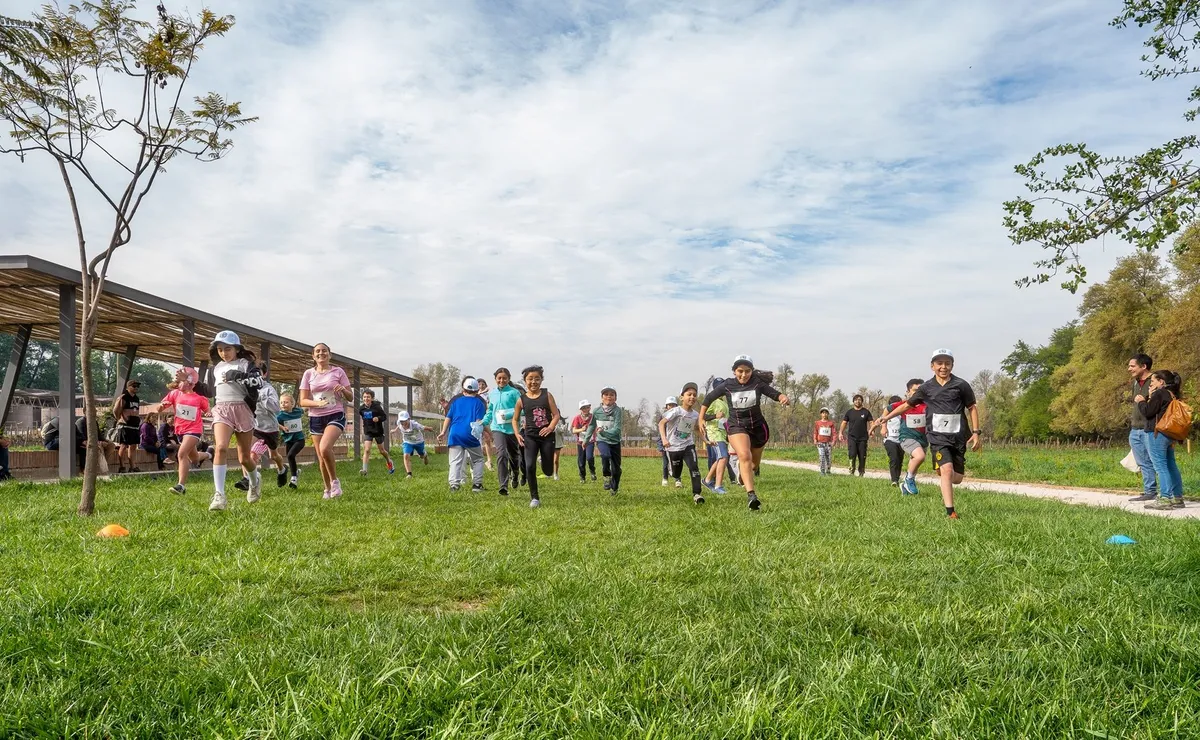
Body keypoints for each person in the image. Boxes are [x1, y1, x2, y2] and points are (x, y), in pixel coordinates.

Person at [876, 349, 980, 519]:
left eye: (947, 363)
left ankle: (944, 470)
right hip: (938, 438)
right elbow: (907, 405)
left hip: (958, 437)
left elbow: (972, 408)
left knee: (957, 478)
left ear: (952, 365)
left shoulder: (961, 385)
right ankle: (951, 512)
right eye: (939, 363)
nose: (943, 367)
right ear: (932, 366)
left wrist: (976, 433)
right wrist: (886, 417)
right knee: (947, 470)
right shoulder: (926, 388)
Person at [699, 356, 790, 510]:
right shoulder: (728, 385)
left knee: (753, 465)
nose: (743, 375)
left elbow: (774, 393)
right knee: (744, 455)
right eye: (740, 371)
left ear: (751, 371)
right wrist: (701, 418)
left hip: (758, 428)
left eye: (747, 371)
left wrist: (782, 397)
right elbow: (708, 398)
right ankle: (752, 495)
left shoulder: (757, 383)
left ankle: (743, 475)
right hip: (737, 426)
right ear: (734, 371)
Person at [208, 331, 263, 510]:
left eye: (228, 349)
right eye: (220, 350)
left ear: (237, 349)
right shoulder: (215, 368)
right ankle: (219, 495)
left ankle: (255, 482)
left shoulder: (246, 364)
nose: (224, 353)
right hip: (222, 409)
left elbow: (258, 382)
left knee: (244, 457)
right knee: (221, 447)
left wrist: (239, 376)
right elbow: (210, 391)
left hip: (242, 409)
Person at [299, 342, 353, 500]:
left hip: (335, 414)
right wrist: (317, 403)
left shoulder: (338, 371)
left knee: (324, 448)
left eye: (324, 351)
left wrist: (343, 390)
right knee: (321, 457)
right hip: (316, 417)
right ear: (313, 356)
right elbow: (302, 401)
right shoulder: (308, 374)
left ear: (330, 355)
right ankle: (327, 489)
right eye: (317, 351)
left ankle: (335, 482)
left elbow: (350, 397)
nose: (320, 353)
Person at [1135, 369, 1187, 510]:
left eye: (1153, 381)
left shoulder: (1160, 393)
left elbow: (1148, 412)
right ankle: (1177, 497)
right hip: (1168, 434)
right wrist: (1150, 397)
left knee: (1160, 466)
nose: (1150, 384)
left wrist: (1141, 401)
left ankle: (1165, 498)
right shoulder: (1172, 394)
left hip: (1156, 433)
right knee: (1170, 465)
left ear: (1161, 382)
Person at [512, 365, 562, 508]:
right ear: (525, 380)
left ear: (541, 380)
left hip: (547, 436)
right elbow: (514, 419)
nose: (533, 382)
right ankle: (534, 498)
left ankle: (546, 465)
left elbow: (556, 415)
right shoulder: (521, 400)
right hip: (530, 437)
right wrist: (517, 434)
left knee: (548, 470)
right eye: (530, 379)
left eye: (537, 379)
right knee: (529, 466)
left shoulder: (547, 395)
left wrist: (550, 427)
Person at [158, 366, 213, 496]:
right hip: (180, 431)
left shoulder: (199, 398)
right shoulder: (175, 394)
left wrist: (209, 413)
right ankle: (210, 453)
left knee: (181, 454)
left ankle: (181, 485)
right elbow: (161, 406)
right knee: (193, 458)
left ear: (190, 383)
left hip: (194, 430)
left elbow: (207, 409)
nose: (179, 385)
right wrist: (161, 407)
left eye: (181, 382)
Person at [659, 382, 705, 505]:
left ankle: (697, 494)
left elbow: (695, 429)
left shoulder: (695, 414)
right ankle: (672, 471)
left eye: (694, 395)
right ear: (681, 397)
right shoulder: (675, 411)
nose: (692, 397)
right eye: (689, 394)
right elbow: (661, 423)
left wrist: (706, 441)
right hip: (673, 447)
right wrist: (664, 439)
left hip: (688, 445)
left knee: (694, 468)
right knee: (675, 473)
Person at [439, 377, 488, 492]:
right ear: (477, 391)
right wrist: (489, 433)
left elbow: (448, 418)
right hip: (470, 433)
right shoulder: (479, 403)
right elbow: (479, 421)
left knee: (455, 461)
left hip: (455, 433)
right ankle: (477, 485)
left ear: (463, 390)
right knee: (478, 460)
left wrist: (443, 432)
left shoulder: (456, 402)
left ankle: (454, 485)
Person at [482, 367, 522, 495]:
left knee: (514, 457)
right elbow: (490, 411)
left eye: (504, 378)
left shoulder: (515, 393)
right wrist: (483, 422)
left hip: (512, 429)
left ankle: (515, 473)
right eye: (499, 378)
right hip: (497, 428)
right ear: (495, 379)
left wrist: (509, 414)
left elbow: (523, 409)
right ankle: (503, 485)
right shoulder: (492, 394)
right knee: (501, 454)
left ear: (508, 379)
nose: (501, 380)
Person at [1127, 354, 1159, 503]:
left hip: (1150, 428)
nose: (1129, 369)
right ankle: (1150, 491)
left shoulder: (1155, 381)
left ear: (1143, 366)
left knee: (1157, 461)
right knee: (1143, 462)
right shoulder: (1135, 382)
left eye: (1132, 366)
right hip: (1135, 428)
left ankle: (1168, 492)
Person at [587, 386, 625, 495]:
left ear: (615, 398)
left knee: (616, 469)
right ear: (602, 398)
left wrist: (604, 432)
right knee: (605, 455)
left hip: (615, 441)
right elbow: (591, 425)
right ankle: (606, 476)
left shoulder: (617, 411)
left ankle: (614, 488)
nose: (609, 396)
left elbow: (617, 429)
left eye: (612, 395)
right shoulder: (596, 411)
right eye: (606, 394)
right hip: (602, 440)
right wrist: (585, 440)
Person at [701, 379, 730, 493]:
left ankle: (707, 480)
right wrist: (714, 415)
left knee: (721, 458)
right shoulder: (712, 400)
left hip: (722, 434)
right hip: (714, 433)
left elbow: (725, 420)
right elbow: (703, 416)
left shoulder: (725, 403)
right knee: (723, 457)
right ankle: (718, 486)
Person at [357, 389, 395, 476]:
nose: (366, 399)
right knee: (367, 450)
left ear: (372, 398)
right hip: (368, 431)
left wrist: (378, 418)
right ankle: (364, 470)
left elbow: (384, 416)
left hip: (378, 431)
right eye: (364, 397)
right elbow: (364, 418)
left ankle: (389, 462)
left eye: (368, 397)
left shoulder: (377, 407)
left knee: (382, 451)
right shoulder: (361, 409)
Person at [113, 378, 143, 473]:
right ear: (128, 387)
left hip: (134, 425)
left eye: (137, 386)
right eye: (134, 386)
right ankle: (122, 467)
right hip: (125, 426)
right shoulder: (124, 397)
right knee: (123, 445)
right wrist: (121, 419)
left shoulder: (136, 398)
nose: (136, 388)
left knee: (133, 446)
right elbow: (116, 410)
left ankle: (133, 466)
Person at [839, 394, 873, 477]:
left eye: (859, 400)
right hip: (852, 437)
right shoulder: (849, 412)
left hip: (863, 438)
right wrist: (840, 432)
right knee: (852, 454)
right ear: (853, 401)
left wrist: (872, 430)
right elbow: (844, 422)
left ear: (862, 401)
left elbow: (871, 422)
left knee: (862, 455)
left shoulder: (866, 412)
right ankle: (851, 470)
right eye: (856, 400)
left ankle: (861, 472)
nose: (858, 401)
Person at [277, 393, 305, 488]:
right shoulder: (280, 416)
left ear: (292, 404)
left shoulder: (297, 411)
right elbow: (274, 422)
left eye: (286, 402)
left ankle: (294, 478)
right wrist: (282, 427)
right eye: (281, 402)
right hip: (288, 440)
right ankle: (296, 471)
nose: (283, 404)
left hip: (299, 439)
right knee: (290, 458)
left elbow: (305, 410)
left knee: (290, 455)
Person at [396, 410, 429, 478]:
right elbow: (398, 426)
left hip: (418, 442)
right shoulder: (399, 424)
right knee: (406, 455)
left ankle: (424, 455)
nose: (403, 422)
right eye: (401, 421)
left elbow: (423, 427)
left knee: (421, 455)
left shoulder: (415, 424)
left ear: (409, 419)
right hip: (407, 442)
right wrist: (394, 430)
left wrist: (430, 429)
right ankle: (409, 474)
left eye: (404, 420)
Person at [880, 395, 905, 486]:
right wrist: (879, 428)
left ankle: (897, 478)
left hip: (902, 440)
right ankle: (894, 480)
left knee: (899, 460)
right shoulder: (886, 414)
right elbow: (879, 421)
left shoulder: (903, 414)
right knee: (893, 458)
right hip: (890, 439)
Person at [571, 400, 597, 483]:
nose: (585, 409)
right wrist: (581, 429)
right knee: (581, 461)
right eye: (583, 408)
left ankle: (592, 471)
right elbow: (574, 430)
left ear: (590, 407)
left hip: (590, 441)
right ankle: (582, 477)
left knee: (589, 457)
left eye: (587, 407)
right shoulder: (577, 418)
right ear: (580, 409)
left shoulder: (593, 417)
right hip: (580, 442)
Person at [659, 397, 679, 487]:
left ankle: (677, 479)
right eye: (669, 405)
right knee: (665, 462)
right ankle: (665, 478)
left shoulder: (679, 417)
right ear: (666, 406)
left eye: (673, 405)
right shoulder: (663, 417)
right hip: (665, 442)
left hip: (676, 442)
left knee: (676, 462)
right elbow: (660, 429)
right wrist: (663, 441)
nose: (671, 407)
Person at [476, 377, 495, 472]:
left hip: (485, 419)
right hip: (476, 419)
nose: (481, 386)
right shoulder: (475, 394)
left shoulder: (488, 395)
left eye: (483, 384)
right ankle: (476, 460)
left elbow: (490, 406)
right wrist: (481, 393)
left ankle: (489, 460)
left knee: (488, 439)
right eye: (479, 384)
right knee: (476, 439)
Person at [813, 407, 835, 475]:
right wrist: (815, 439)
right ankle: (822, 471)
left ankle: (828, 470)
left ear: (828, 414)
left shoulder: (831, 423)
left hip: (828, 443)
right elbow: (815, 432)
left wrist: (834, 441)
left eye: (826, 413)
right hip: (820, 443)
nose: (824, 414)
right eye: (823, 413)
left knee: (828, 457)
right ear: (821, 414)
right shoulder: (817, 423)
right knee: (822, 457)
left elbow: (834, 433)